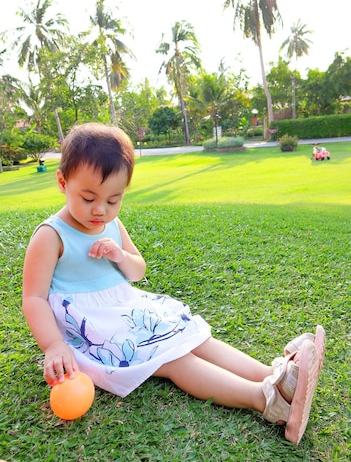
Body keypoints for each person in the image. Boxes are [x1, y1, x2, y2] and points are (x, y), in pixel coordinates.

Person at [22, 122, 325, 445]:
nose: (100, 210)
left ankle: (274, 377)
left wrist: (119, 256)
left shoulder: (111, 224)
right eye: (88, 198)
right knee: (176, 361)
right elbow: (34, 298)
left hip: (126, 307)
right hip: (96, 328)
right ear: (62, 182)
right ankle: (266, 401)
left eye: (113, 200)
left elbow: (137, 270)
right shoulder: (51, 235)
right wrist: (54, 345)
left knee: (195, 337)